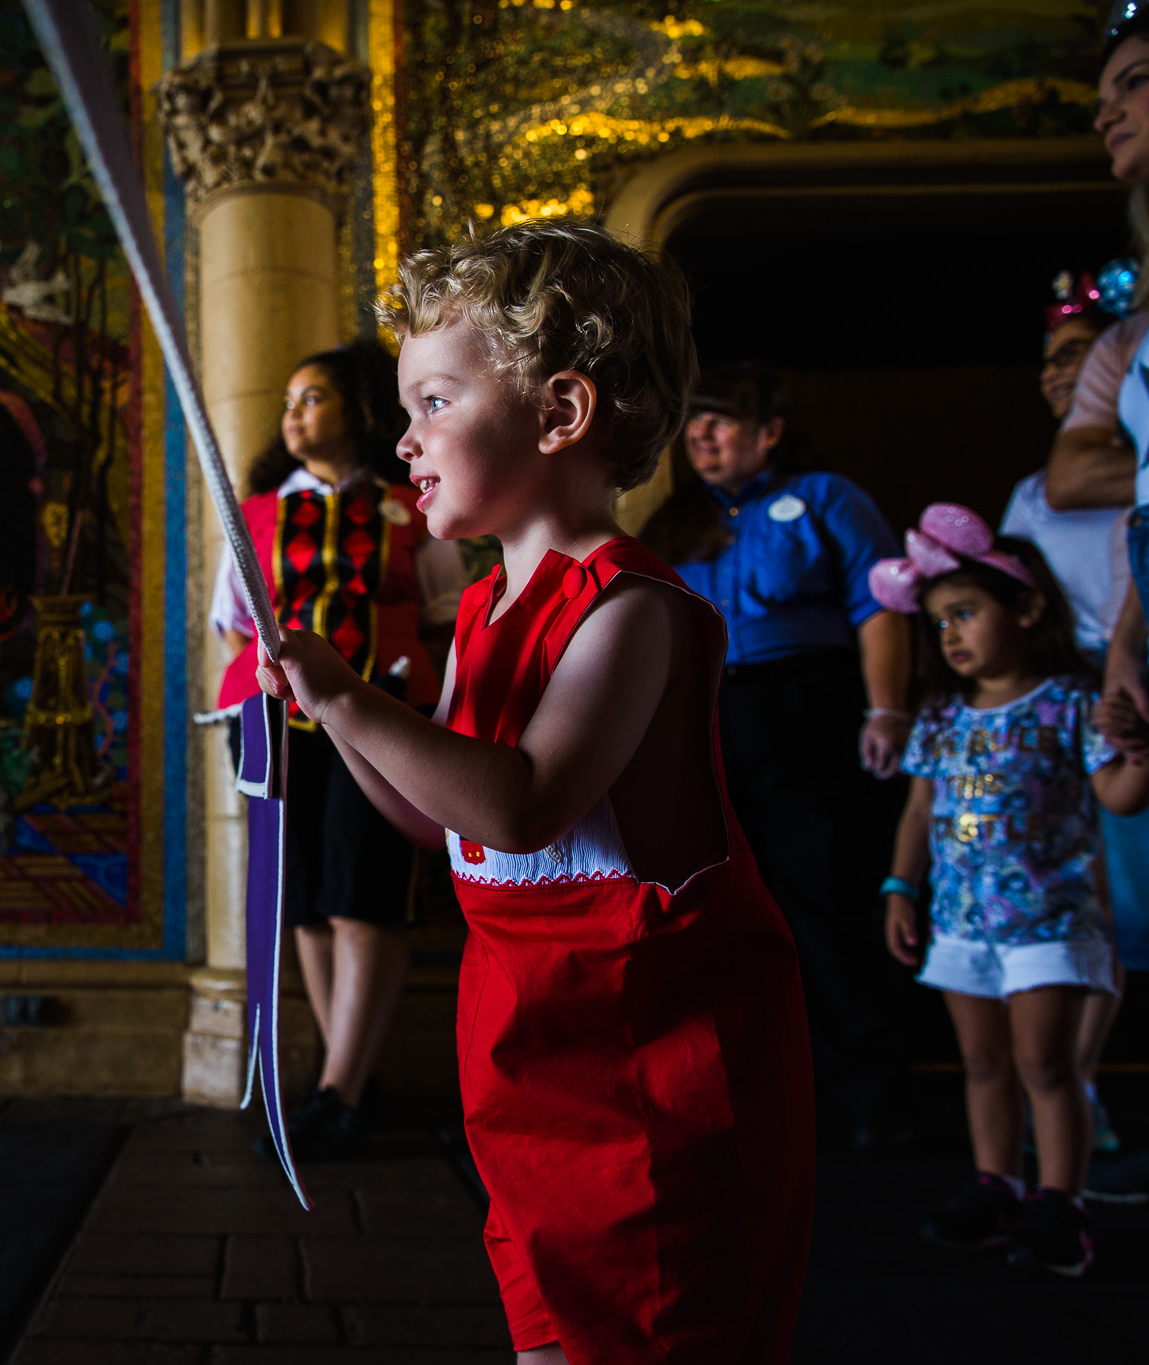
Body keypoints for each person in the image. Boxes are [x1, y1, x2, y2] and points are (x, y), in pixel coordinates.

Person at [259, 222, 813, 1365]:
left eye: (432, 404)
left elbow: (521, 806)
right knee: (549, 1343)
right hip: (518, 1066)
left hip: (646, 1083)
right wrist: (331, 708)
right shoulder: (474, 615)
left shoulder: (630, 611)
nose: (404, 440)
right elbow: (443, 823)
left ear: (560, 414)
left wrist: (353, 703)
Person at [869, 505, 1149, 1276]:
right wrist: (901, 887)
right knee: (983, 1062)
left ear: (1025, 607)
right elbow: (921, 809)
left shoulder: (1070, 703)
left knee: (1046, 1063)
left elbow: (1119, 795)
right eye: (939, 623)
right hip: (962, 923)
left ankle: (1062, 1202)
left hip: (1049, 923)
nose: (950, 634)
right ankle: (997, 1186)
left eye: (965, 612)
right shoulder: (941, 717)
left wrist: (1141, 750)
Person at [639, 364, 909, 1147]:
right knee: (719, 905)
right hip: (706, 717)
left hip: (807, 710)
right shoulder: (674, 521)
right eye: (695, 424)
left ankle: (865, 1098)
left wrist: (886, 709)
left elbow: (879, 606)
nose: (703, 434)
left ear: (769, 432)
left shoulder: (827, 498)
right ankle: (754, 1093)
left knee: (823, 897)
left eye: (722, 420)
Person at [211, 338, 467, 1159]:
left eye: (312, 397)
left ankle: (340, 1087)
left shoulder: (411, 503)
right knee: (310, 902)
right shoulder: (251, 512)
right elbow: (230, 621)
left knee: (368, 894)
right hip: (273, 717)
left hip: (385, 712)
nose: (293, 413)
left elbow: (443, 607)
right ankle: (343, 1080)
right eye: (287, 400)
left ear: (358, 407)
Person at [1042, 2, 1149, 1197]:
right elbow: (1111, 491)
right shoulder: (1133, 328)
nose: (1100, 108)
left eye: (1130, 79)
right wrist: (1125, 637)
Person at [1000, 278, 1140, 1155]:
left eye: (1078, 352)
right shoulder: (1032, 491)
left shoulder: (1134, 468)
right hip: (1067, 697)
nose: (1060, 372)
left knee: (1125, 900)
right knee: (1082, 900)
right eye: (1050, 359)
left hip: (1132, 683)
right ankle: (1075, 1103)